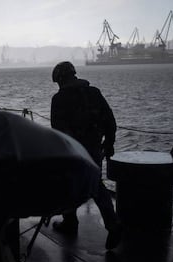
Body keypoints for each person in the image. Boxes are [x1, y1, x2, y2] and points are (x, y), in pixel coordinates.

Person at [50, 61, 122, 250]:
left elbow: (59, 132)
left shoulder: (59, 99)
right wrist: (109, 143)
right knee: (96, 185)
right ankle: (112, 224)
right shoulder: (94, 93)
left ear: (60, 79)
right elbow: (110, 120)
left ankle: (71, 222)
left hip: (74, 151)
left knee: (68, 183)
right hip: (95, 149)